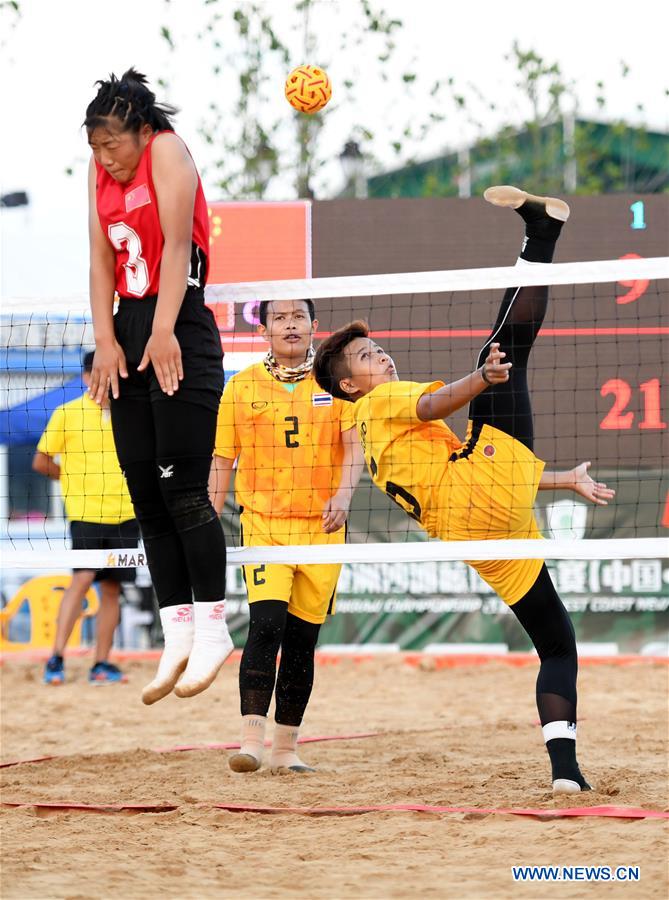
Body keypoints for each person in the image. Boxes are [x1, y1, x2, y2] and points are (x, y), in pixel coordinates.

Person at [313, 185, 616, 794]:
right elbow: (430, 403)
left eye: (379, 351)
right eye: (370, 357)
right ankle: (543, 233)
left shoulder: (372, 443)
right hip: (480, 495)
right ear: (351, 386)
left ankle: (565, 773)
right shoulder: (381, 403)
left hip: (481, 532)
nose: (384, 360)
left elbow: (479, 464)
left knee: (557, 642)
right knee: (502, 352)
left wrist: (561, 480)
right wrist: (480, 377)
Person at [85, 69, 232, 705]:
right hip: (128, 326)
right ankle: (176, 630)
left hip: (180, 324)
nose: (106, 157)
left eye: (113, 144)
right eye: (95, 147)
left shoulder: (165, 150)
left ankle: (213, 627)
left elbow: (177, 249)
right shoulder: (99, 174)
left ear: (142, 132)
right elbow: (99, 263)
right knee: (145, 492)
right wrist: (106, 341)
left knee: (185, 492)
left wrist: (164, 330)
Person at [210, 298, 364, 772]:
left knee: (302, 641)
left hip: (322, 529)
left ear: (314, 326)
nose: (290, 325)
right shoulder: (240, 387)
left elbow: (354, 445)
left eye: (298, 317)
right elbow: (222, 460)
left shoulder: (336, 384)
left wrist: (343, 494)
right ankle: (250, 741)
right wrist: (205, 523)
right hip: (265, 527)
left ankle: (286, 749)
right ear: (264, 331)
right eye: (279, 318)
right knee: (266, 627)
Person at [34, 351, 139, 685]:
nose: (107, 380)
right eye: (100, 373)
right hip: (86, 514)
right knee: (81, 580)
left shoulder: (133, 413)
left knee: (112, 588)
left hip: (126, 514)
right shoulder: (68, 413)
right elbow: (41, 460)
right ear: (86, 376)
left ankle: (101, 664)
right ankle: (56, 658)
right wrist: (69, 480)